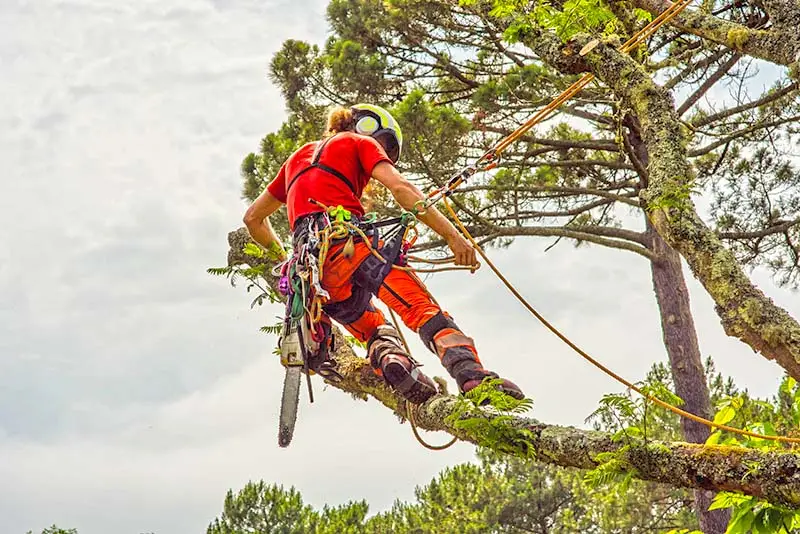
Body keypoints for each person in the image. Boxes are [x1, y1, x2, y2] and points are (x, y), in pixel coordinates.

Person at [243, 103, 524, 403]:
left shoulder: (294, 160)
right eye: (385, 145)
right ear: (366, 126)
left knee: (373, 327)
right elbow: (401, 189)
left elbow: (252, 219)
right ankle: (472, 378)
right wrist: (453, 238)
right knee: (422, 310)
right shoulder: (360, 142)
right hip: (354, 246)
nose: (383, 153)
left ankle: (394, 361)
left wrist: (288, 259)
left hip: (315, 277)